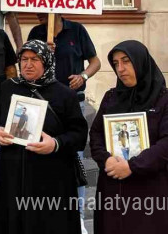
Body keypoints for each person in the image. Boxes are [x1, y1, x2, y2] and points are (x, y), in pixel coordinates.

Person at [0, 40, 88, 234]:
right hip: (14, 175)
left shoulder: (65, 94)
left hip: (52, 179)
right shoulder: (8, 88)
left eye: (34, 59)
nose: (28, 64)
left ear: (46, 61)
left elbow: (79, 134)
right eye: (24, 59)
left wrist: (56, 144)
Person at [90, 40, 168, 234]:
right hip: (113, 187)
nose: (121, 69)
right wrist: (106, 159)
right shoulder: (111, 98)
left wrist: (132, 166)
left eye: (126, 61)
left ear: (141, 62)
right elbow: (96, 134)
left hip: (151, 191)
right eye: (116, 63)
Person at [27, 12, 100, 226]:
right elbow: (26, 61)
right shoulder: (36, 32)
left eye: (43, 10)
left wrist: (83, 76)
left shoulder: (76, 30)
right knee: (41, 155)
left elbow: (95, 62)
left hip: (71, 102)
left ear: (57, 10)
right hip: (42, 103)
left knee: (73, 157)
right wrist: (43, 54)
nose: (38, 13)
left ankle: (75, 215)